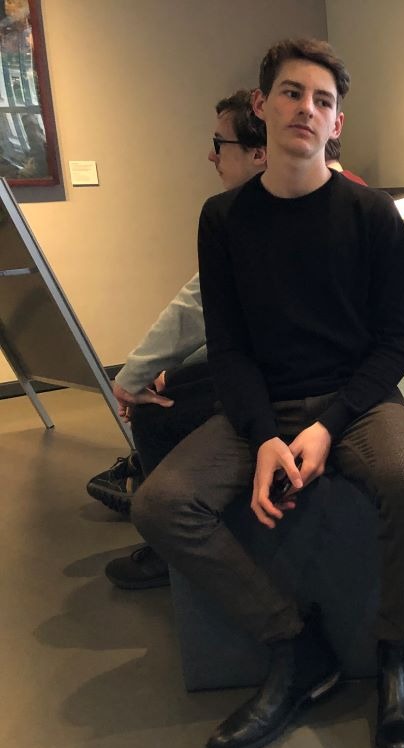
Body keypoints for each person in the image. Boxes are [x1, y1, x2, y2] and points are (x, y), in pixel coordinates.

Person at [131, 38, 404, 748]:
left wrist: (329, 426)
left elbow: (399, 341)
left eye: (323, 101)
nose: (307, 108)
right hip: (263, 402)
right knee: (160, 503)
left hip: (358, 401)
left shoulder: (371, 214)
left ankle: (397, 655)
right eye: (293, 93)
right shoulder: (223, 218)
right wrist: (264, 433)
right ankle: (295, 644)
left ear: (337, 123)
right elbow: (230, 348)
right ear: (261, 106)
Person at [97, 89, 268, 590]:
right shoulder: (248, 210)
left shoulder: (252, 215)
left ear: (259, 153)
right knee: (172, 384)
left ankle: (168, 547)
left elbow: (199, 306)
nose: (212, 156)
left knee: (156, 411)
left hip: (277, 378)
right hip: (256, 360)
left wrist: (133, 377)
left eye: (220, 144)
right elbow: (225, 315)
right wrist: (165, 368)